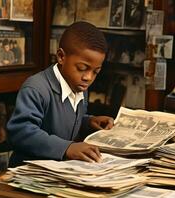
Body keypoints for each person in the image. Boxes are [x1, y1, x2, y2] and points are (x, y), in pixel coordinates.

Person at [7, 21, 114, 167]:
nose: (88, 77)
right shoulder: (36, 88)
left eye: (96, 72)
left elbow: (65, 122)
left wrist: (89, 122)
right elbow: (21, 132)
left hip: (61, 172)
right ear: (61, 57)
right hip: (30, 172)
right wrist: (67, 148)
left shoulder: (80, 86)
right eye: (82, 68)